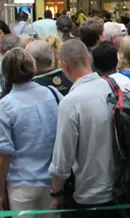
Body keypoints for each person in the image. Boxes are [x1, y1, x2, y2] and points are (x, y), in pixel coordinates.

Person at [49, 39, 115, 216]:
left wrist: (56, 193)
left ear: (64, 65)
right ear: (90, 59)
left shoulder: (71, 103)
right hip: (119, 188)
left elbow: (62, 159)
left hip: (88, 194)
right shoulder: (112, 88)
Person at [0, 48, 60, 212]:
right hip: (53, 180)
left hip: (20, 182)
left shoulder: (5, 105)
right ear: (33, 66)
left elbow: (4, 153)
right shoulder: (53, 94)